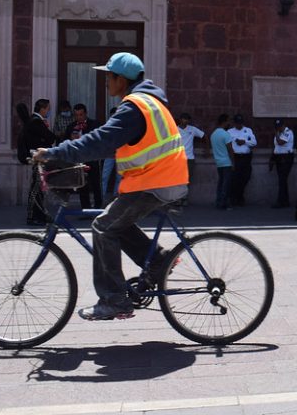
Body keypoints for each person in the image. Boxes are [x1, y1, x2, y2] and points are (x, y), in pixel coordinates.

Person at [33, 52, 188, 321]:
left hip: (156, 181)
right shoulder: (149, 101)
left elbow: (99, 141)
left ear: (121, 78)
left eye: (109, 76)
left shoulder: (134, 107)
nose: (106, 82)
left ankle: (114, 300)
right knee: (117, 221)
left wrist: (55, 153)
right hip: (161, 178)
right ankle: (159, 261)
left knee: (102, 226)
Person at [21, 98, 56, 225]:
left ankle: (40, 214)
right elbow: (50, 137)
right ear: (42, 109)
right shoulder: (36, 122)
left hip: (39, 157)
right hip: (38, 158)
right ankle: (32, 216)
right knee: (36, 188)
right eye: (48, 109)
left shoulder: (35, 121)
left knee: (39, 188)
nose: (49, 111)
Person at [66, 104, 103, 209]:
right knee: (82, 185)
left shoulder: (94, 124)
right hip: (79, 161)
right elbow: (64, 142)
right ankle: (85, 208)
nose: (79, 117)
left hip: (92, 159)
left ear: (85, 114)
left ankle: (98, 208)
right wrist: (71, 139)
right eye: (76, 115)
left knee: (96, 184)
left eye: (81, 115)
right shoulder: (71, 127)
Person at [227, 114, 257, 206]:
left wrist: (244, 142)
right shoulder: (230, 132)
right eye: (237, 123)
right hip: (235, 157)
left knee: (246, 177)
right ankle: (234, 198)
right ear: (234, 123)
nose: (239, 125)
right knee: (235, 179)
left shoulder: (248, 130)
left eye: (240, 123)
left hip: (246, 157)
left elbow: (254, 143)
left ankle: (240, 195)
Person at [211, 114, 235, 210]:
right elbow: (230, 150)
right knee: (226, 184)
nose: (229, 123)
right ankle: (223, 204)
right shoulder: (226, 134)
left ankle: (218, 202)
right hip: (226, 162)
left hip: (218, 162)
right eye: (228, 121)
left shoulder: (213, 134)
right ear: (224, 122)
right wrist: (233, 162)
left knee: (220, 183)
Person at [270, 118, 294, 208]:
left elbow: (280, 142)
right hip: (279, 158)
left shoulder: (288, 132)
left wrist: (276, 133)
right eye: (276, 127)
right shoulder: (279, 133)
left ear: (283, 125)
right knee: (282, 180)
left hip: (286, 158)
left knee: (282, 180)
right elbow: (275, 147)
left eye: (279, 126)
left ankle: (281, 201)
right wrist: (272, 159)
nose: (278, 128)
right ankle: (285, 201)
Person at [177, 112, 205, 183]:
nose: (185, 121)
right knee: (178, 178)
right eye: (184, 119)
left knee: (188, 179)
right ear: (180, 119)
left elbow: (204, 136)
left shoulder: (192, 129)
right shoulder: (175, 129)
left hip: (190, 158)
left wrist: (207, 149)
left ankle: (185, 193)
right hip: (178, 158)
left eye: (187, 119)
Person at [101, 107, 121, 203]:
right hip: (109, 154)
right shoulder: (108, 126)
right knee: (105, 176)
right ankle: (102, 197)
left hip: (121, 155)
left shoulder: (123, 126)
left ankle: (115, 198)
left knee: (119, 177)